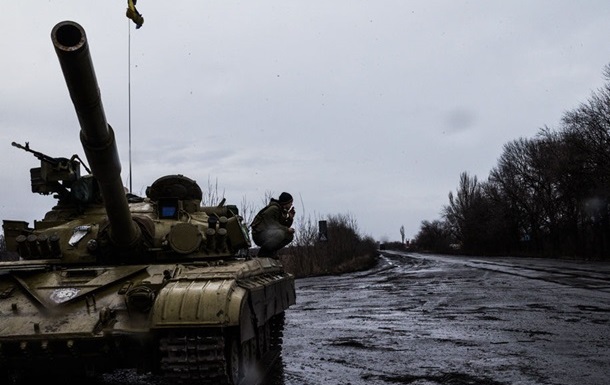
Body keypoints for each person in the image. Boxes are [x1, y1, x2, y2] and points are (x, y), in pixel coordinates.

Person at [250, 192, 296, 258]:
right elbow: (272, 225)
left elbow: (282, 226)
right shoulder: (274, 209)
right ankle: (263, 252)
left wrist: (290, 219)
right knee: (280, 233)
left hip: (267, 233)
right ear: (286, 203)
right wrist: (286, 229)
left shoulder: (281, 211)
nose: (291, 204)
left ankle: (270, 252)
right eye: (290, 203)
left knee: (289, 236)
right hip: (258, 234)